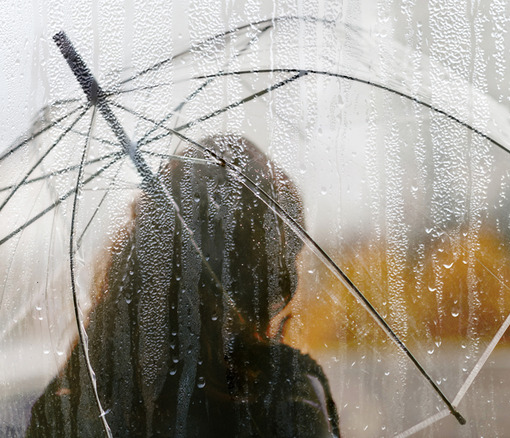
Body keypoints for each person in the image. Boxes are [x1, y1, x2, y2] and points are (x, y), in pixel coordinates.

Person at [26, 135, 339, 437]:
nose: (288, 287)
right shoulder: (282, 403)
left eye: (290, 257)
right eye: (274, 261)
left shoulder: (71, 404)